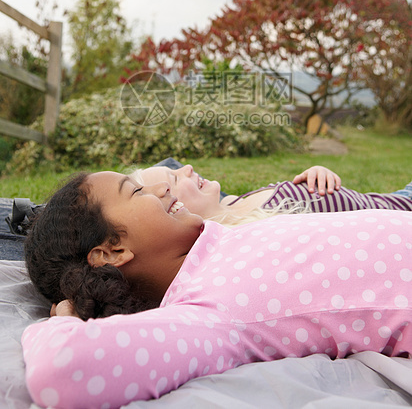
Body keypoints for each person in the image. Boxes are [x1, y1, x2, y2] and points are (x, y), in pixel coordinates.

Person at [23, 171, 412, 408]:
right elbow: (63, 371)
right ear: (112, 252)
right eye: (136, 192)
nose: (159, 185)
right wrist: (63, 319)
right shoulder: (207, 311)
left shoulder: (216, 243)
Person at [131, 163, 412, 224]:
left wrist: (317, 172)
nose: (188, 167)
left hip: (395, 197)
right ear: (174, 208)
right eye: (175, 178)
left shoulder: (230, 202)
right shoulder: (255, 228)